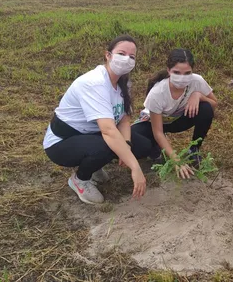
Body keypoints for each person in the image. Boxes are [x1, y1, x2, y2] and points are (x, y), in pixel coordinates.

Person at [43, 35, 148, 204]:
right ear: (108, 55)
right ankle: (80, 180)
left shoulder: (124, 83)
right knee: (108, 145)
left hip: (92, 134)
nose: (126, 59)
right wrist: (135, 168)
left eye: (132, 57)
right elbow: (108, 130)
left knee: (142, 146)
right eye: (121, 53)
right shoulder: (94, 83)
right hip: (62, 142)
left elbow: (124, 120)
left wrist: (126, 146)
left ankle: (95, 164)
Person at [132, 49, 218, 179]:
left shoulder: (197, 81)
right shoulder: (157, 93)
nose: (182, 78)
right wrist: (176, 160)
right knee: (133, 140)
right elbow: (158, 132)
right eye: (176, 73)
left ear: (192, 71)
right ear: (168, 70)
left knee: (206, 109)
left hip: (179, 119)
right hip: (153, 123)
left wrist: (199, 95)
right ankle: (155, 149)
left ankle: (194, 150)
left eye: (187, 73)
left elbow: (214, 104)